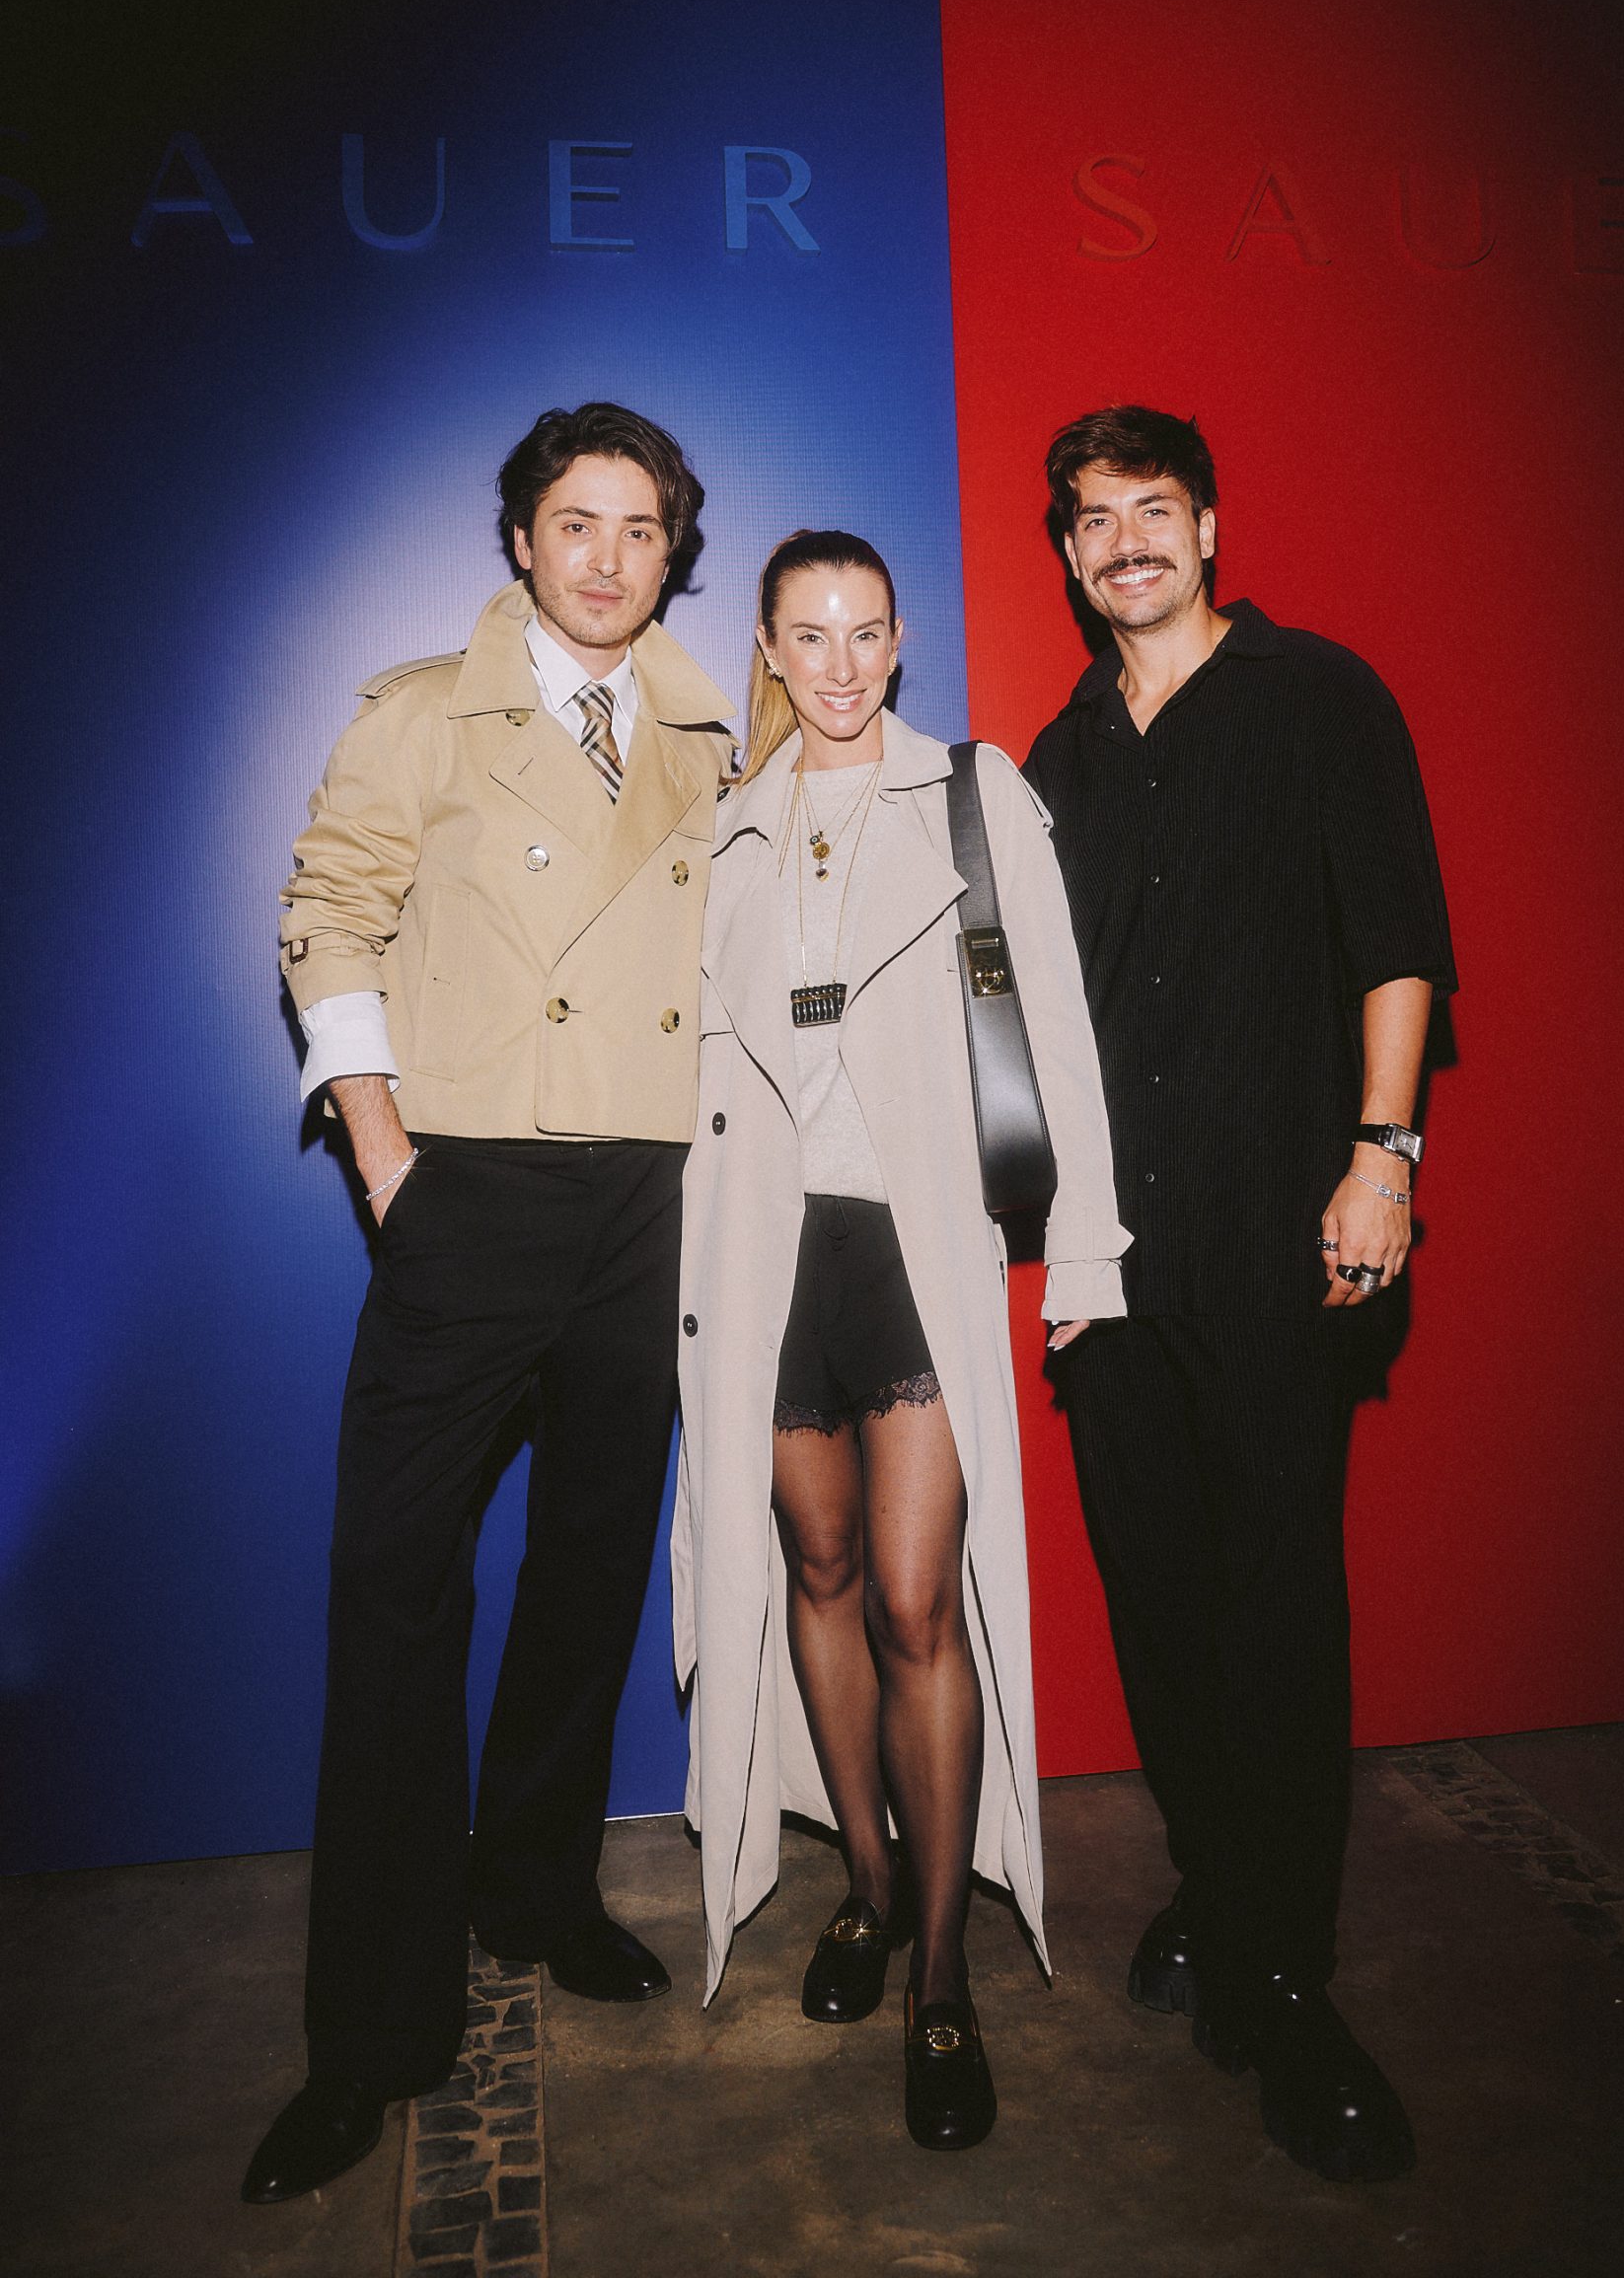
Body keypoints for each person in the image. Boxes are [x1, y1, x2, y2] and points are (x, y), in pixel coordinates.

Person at [243, 403, 734, 2206]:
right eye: (575, 522)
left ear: (673, 552)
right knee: (397, 1595)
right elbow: (327, 915)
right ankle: (371, 2036)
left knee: (593, 1564)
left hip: (651, 1197)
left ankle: (533, 1889)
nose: (608, 557)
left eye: (641, 528)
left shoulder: (711, 727)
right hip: (470, 1189)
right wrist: (387, 1159)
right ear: (521, 538)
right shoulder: (420, 714)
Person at [1023, 405, 1456, 2183]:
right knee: (1159, 1597)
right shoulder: (1054, 759)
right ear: (1068, 554)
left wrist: (1384, 1155)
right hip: (1111, 1258)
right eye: (1093, 518)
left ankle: (1290, 1980)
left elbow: (1400, 942)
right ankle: (1214, 1885)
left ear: (1208, 526)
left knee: (1274, 1601)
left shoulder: (1322, 698)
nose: (1125, 539)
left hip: (1286, 1233)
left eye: (1153, 508)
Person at [672, 529, 1129, 2150]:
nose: (842, 664)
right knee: (816, 1574)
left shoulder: (972, 797)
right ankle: (863, 1887)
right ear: (771, 650)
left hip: (910, 1255)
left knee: (922, 1601)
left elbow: (1057, 1026)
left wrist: (1088, 1244)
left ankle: (942, 1972)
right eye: (810, 635)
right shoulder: (729, 826)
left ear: (901, 639)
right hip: (768, 1261)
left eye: (866, 631)